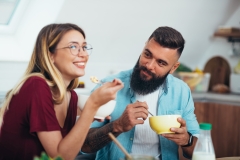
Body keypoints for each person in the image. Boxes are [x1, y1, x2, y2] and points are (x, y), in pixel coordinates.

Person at [0, 23, 123, 160]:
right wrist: (91, 106)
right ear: (50, 55)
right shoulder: (36, 86)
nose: (83, 54)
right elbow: (60, 157)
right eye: (73, 47)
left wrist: (92, 111)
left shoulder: (71, 96)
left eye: (84, 47)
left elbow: (71, 147)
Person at [82, 26, 200, 160]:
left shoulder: (181, 91)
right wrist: (118, 126)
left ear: (173, 67)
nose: (149, 65)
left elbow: (200, 151)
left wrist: (187, 140)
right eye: (147, 54)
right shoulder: (108, 86)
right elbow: (83, 144)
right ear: (144, 47)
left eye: (160, 63)